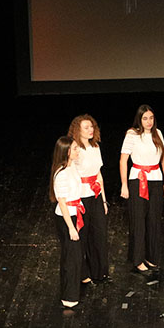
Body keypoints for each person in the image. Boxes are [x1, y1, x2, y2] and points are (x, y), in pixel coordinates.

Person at [119, 105, 164, 274]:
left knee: (154, 220)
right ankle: (138, 259)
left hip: (155, 179)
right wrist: (124, 184)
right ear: (139, 120)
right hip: (138, 179)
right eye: (145, 118)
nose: (149, 122)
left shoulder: (158, 133)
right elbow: (123, 160)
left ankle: (151, 257)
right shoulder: (132, 135)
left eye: (151, 118)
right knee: (139, 220)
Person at [68, 115, 109, 284]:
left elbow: (99, 174)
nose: (90, 130)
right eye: (86, 127)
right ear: (77, 130)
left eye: (92, 126)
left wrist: (104, 200)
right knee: (82, 235)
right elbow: (70, 173)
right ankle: (82, 273)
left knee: (99, 233)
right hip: (80, 195)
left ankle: (99, 271)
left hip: (96, 194)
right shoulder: (75, 149)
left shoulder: (95, 147)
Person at [50, 136, 85, 308]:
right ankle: (68, 296)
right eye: (75, 148)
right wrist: (71, 227)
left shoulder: (72, 167)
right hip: (67, 218)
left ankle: (72, 290)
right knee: (71, 257)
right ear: (67, 151)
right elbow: (62, 203)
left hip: (75, 213)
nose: (78, 150)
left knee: (75, 256)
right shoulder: (62, 174)